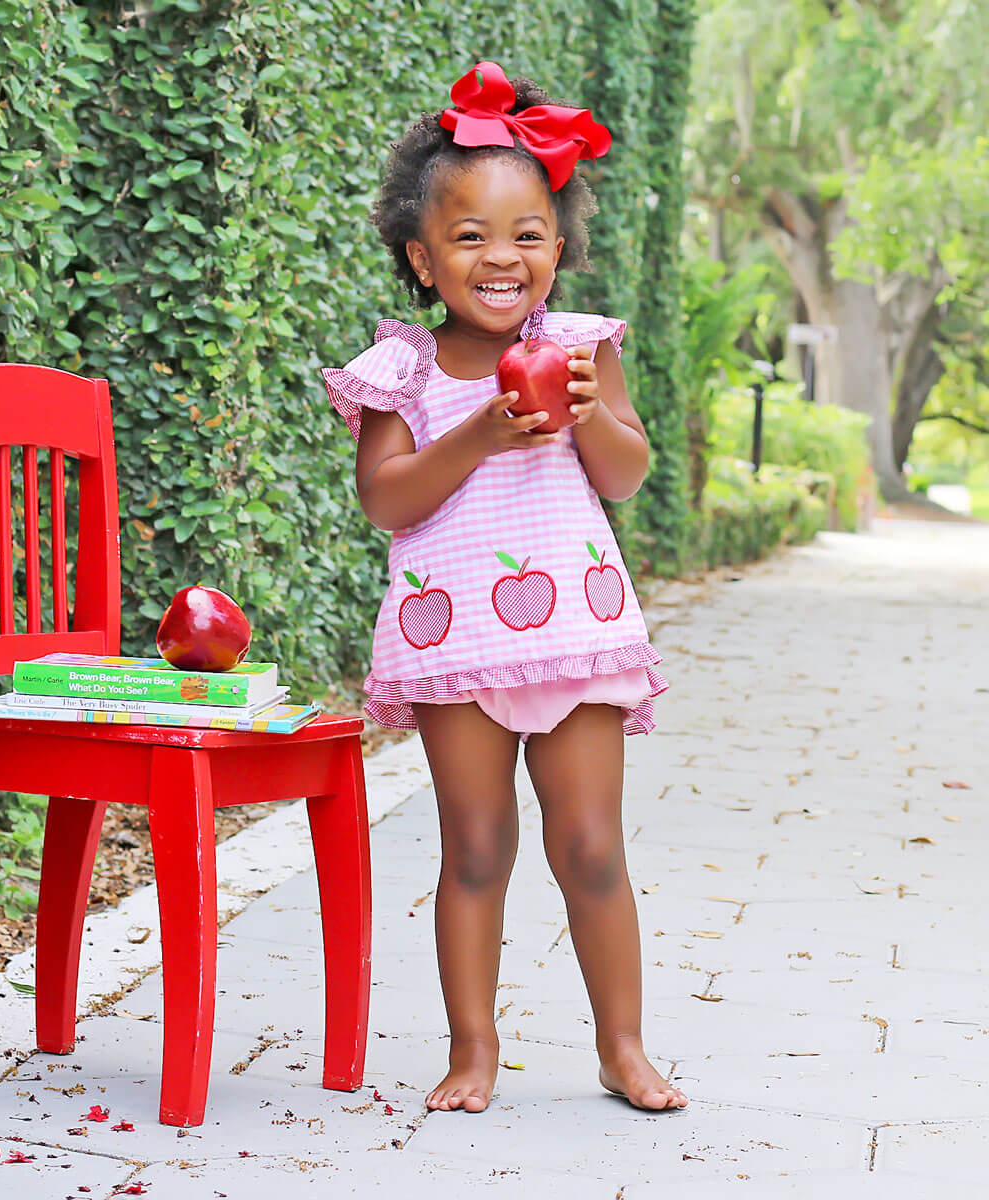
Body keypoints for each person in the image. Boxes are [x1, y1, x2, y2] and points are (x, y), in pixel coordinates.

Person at [321, 61, 687, 1115]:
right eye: (470, 235)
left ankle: (623, 1047)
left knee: (591, 847)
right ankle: (472, 1051)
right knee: (476, 848)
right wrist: (479, 433)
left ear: (557, 250)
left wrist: (592, 413)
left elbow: (626, 474)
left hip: (574, 632)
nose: (501, 256)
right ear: (422, 257)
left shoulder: (580, 350)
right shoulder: (400, 371)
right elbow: (386, 498)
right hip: (456, 643)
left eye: (527, 234)